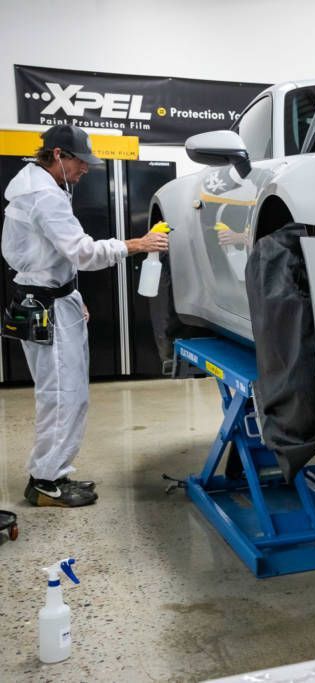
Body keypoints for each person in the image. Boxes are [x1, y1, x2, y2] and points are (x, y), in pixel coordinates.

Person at [1, 124, 168, 507]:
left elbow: (51, 255)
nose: (87, 169)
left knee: (67, 392)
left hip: (53, 299)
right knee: (63, 396)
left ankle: (54, 472)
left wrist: (70, 292)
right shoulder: (45, 196)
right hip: (47, 306)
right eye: (82, 161)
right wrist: (136, 244)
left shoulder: (35, 186)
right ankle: (45, 481)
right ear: (59, 155)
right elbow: (82, 252)